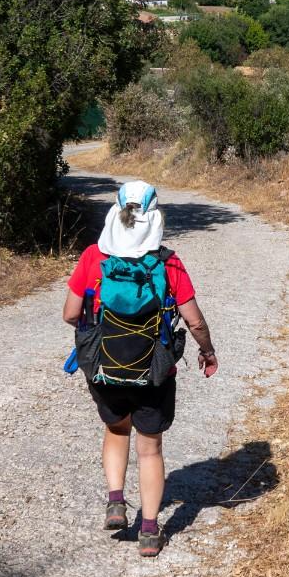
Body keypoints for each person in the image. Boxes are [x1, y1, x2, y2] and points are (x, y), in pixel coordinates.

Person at [63, 180, 219, 557]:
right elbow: (194, 322)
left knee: (117, 430)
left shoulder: (92, 257)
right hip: (155, 371)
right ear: (155, 217)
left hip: (106, 367)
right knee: (150, 450)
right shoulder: (168, 262)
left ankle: (116, 501)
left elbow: (70, 314)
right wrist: (208, 352)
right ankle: (150, 531)